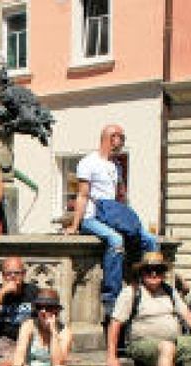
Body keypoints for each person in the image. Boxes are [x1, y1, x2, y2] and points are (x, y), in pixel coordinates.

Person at [65, 124, 160, 314]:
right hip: (92, 217)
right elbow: (82, 196)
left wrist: (129, 219)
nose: (122, 143)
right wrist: (75, 225)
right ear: (111, 138)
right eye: (121, 139)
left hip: (113, 215)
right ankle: (111, 297)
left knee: (150, 240)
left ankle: (147, 285)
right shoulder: (88, 162)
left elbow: (120, 198)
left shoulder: (115, 166)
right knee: (116, 241)